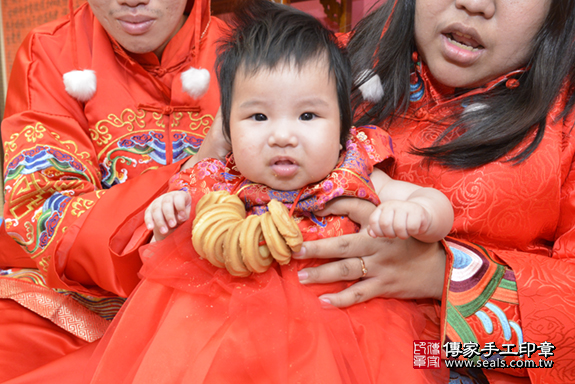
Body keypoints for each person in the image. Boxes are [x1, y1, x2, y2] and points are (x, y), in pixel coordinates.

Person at [82, 1, 453, 382]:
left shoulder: (351, 172)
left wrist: (418, 215)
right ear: (227, 127)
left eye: (308, 116)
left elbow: (432, 206)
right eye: (258, 117)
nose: (281, 136)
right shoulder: (220, 180)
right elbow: (171, 244)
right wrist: (170, 213)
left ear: (343, 129)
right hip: (225, 326)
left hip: (345, 329)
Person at [293, 0, 575, 383]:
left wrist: (443, 275)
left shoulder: (566, 121)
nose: (474, 4)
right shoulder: (318, 67)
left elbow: (553, 353)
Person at [0, 0, 228, 380]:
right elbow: (45, 215)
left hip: (219, 293)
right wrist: (195, 166)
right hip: (78, 302)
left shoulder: (250, 51)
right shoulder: (52, 52)